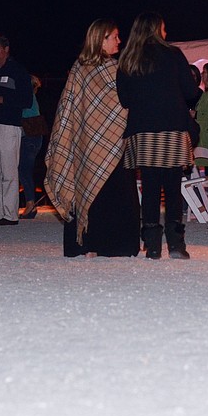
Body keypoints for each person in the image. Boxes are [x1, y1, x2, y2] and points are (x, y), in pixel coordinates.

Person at [45, 19, 140, 257]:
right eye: (115, 36)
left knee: (106, 194)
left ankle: (99, 245)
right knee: (104, 195)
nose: (119, 41)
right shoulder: (89, 70)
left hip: (105, 144)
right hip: (96, 145)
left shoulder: (99, 69)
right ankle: (101, 245)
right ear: (101, 39)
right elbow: (69, 109)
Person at [116, 12, 199, 259]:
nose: (165, 33)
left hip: (142, 131)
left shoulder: (128, 59)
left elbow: (124, 99)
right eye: (163, 28)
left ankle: (151, 245)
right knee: (173, 187)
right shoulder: (173, 55)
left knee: (150, 188)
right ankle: (176, 245)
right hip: (172, 128)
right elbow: (190, 91)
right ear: (154, 29)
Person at [0, 33, 33, 225]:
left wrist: (0, 100)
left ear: (6, 49)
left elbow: (26, 100)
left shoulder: (18, 71)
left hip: (9, 127)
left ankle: (10, 215)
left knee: (9, 171)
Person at [18, 75, 47, 220]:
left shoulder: (26, 96)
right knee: (25, 169)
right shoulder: (32, 97)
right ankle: (30, 203)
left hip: (29, 135)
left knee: (24, 170)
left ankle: (30, 203)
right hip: (36, 136)